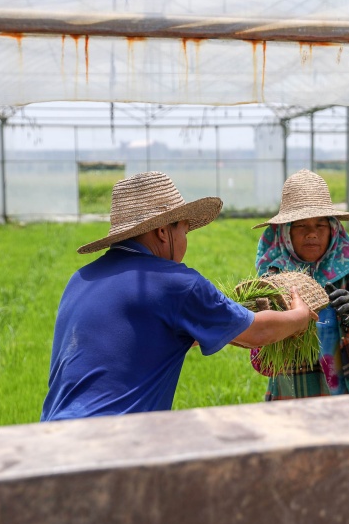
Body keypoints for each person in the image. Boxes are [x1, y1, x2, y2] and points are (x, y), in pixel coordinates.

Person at [41, 172, 315, 421]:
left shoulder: (80, 279)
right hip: (115, 441)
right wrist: (299, 317)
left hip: (53, 436)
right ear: (162, 232)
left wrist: (217, 321)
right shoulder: (177, 283)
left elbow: (143, 341)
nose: (185, 240)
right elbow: (258, 332)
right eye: (184, 230)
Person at [250, 168, 349, 400]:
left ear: (333, 230)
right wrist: (273, 329)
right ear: (285, 233)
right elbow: (261, 364)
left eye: (320, 225)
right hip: (288, 400)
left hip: (339, 396)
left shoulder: (345, 272)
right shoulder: (273, 282)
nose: (312, 234)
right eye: (301, 226)